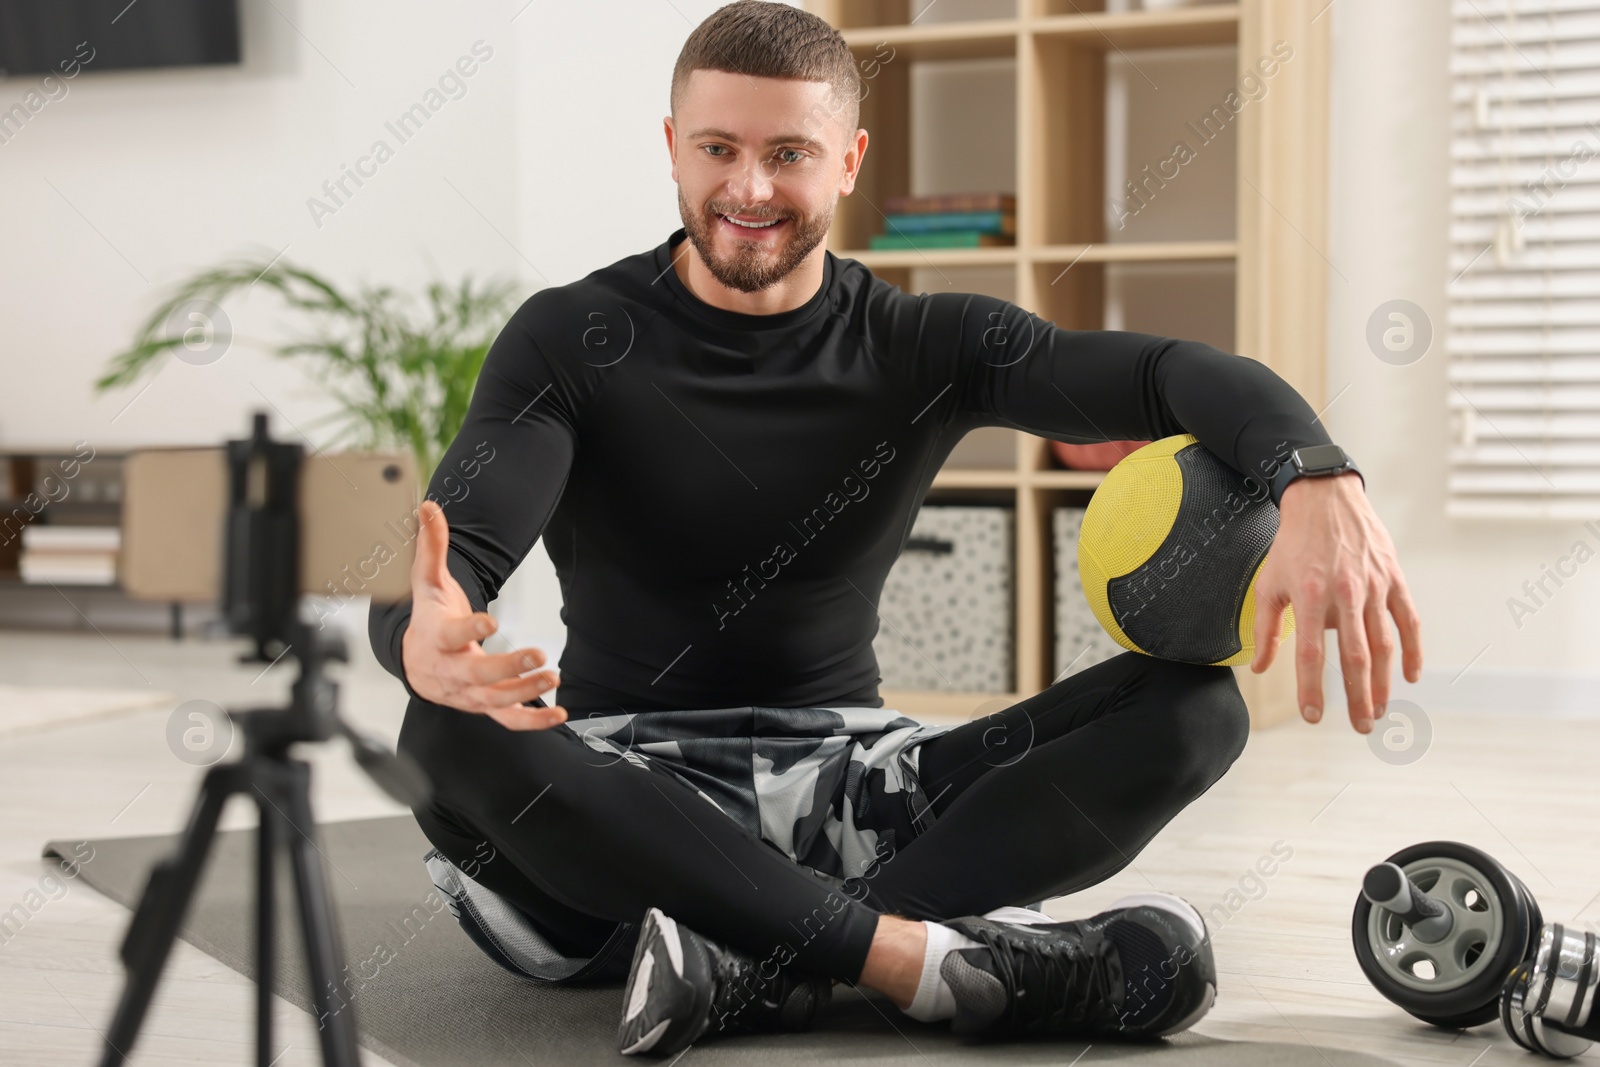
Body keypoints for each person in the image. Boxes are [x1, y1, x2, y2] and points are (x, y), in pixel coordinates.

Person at [368, 1, 1422, 1057]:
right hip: (623, 811)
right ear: (671, 150)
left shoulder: (922, 342)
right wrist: (419, 629)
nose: (748, 188)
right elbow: (450, 548)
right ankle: (898, 959)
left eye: (789, 153)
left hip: (857, 788)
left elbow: (1164, 375)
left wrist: (1317, 476)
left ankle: (754, 963)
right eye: (718, 149)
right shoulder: (572, 336)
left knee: (1195, 708)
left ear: (849, 161)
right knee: (443, 728)